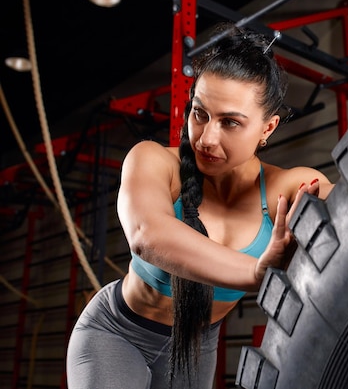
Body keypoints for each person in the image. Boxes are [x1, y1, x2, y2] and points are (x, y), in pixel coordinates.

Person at [66, 22, 333, 389]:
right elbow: (147, 236)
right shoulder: (155, 161)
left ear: (267, 129)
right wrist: (258, 272)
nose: (206, 138)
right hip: (118, 334)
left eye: (230, 123)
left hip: (196, 349)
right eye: (200, 113)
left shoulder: (284, 188)